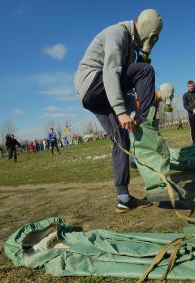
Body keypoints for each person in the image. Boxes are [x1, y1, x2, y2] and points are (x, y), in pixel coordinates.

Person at [74, 9, 163, 213]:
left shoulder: (131, 48)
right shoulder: (118, 33)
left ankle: (123, 198)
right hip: (94, 83)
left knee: (121, 140)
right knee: (146, 70)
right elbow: (111, 73)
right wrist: (125, 112)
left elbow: (127, 87)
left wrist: (131, 115)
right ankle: (147, 120)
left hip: (95, 97)